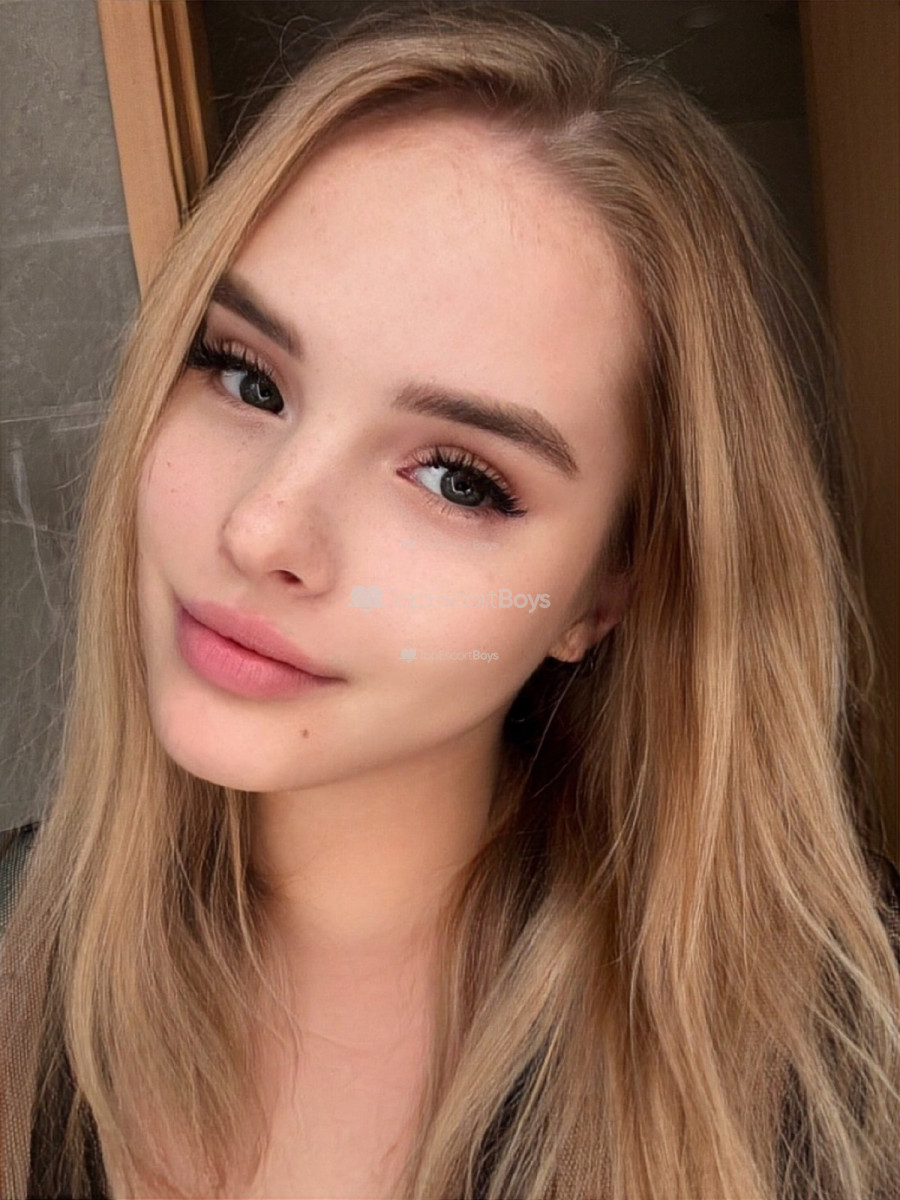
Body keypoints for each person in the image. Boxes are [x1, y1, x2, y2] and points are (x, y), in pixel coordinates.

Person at [1, 5, 898, 1198]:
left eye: (459, 479)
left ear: (605, 591)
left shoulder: (836, 1066)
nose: (262, 530)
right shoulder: (20, 963)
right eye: (247, 377)